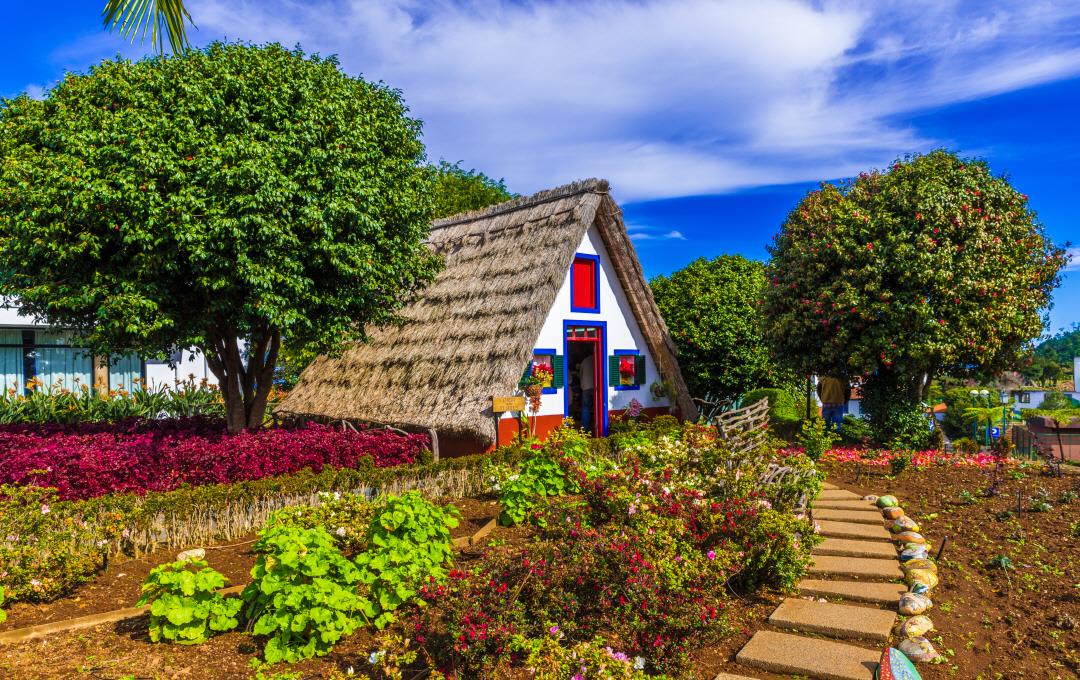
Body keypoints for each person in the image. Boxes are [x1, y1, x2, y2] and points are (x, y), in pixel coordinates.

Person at [580, 353, 595, 433]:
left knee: (586, 408)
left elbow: (580, 375)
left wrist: (582, 385)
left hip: (586, 387)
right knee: (597, 407)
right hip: (596, 387)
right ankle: (595, 426)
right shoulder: (597, 358)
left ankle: (584, 428)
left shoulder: (584, 361)